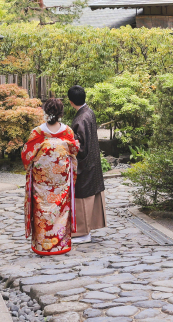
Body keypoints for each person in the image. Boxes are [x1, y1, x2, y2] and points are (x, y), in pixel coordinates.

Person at [21, 98, 79, 256]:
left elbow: (26, 155)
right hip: (61, 183)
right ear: (61, 113)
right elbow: (74, 150)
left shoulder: (37, 132)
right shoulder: (67, 132)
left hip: (41, 184)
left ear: (45, 112)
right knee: (61, 212)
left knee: (41, 213)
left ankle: (42, 245)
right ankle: (60, 245)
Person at [68, 85, 106, 243]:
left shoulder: (81, 118)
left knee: (82, 196)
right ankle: (86, 230)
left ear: (71, 102)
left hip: (84, 162)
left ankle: (83, 233)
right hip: (92, 160)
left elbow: (79, 144)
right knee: (89, 195)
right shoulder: (88, 112)